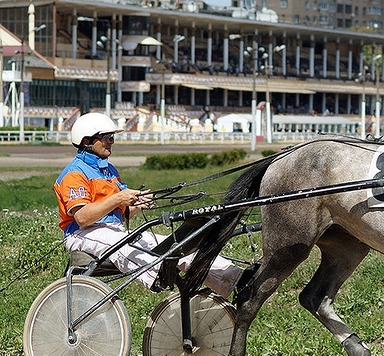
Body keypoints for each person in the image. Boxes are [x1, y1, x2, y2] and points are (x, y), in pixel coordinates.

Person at [54, 112, 254, 297]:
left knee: (176, 245)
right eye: (107, 137)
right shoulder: (75, 173)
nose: (111, 142)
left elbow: (120, 214)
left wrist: (137, 205)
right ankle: (156, 273)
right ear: (87, 141)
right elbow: (82, 218)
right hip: (81, 234)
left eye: (112, 138)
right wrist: (118, 199)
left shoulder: (109, 170)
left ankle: (236, 278)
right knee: (121, 245)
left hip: (113, 230)